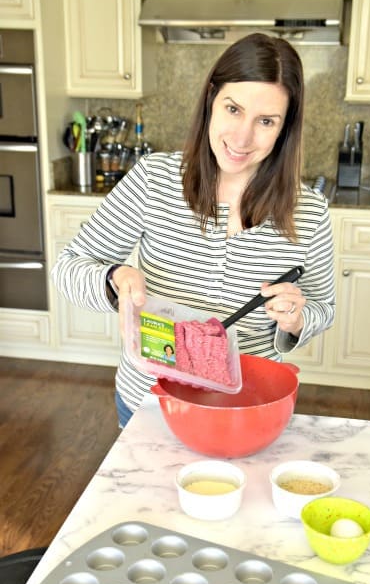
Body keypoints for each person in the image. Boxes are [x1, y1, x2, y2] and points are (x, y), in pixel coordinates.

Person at [51, 33, 335, 428]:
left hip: (246, 406)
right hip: (150, 403)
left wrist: (297, 319)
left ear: (285, 128)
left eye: (266, 121)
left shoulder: (310, 212)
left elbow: (324, 307)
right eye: (233, 109)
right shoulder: (155, 179)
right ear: (211, 100)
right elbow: (66, 268)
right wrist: (113, 278)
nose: (242, 138)